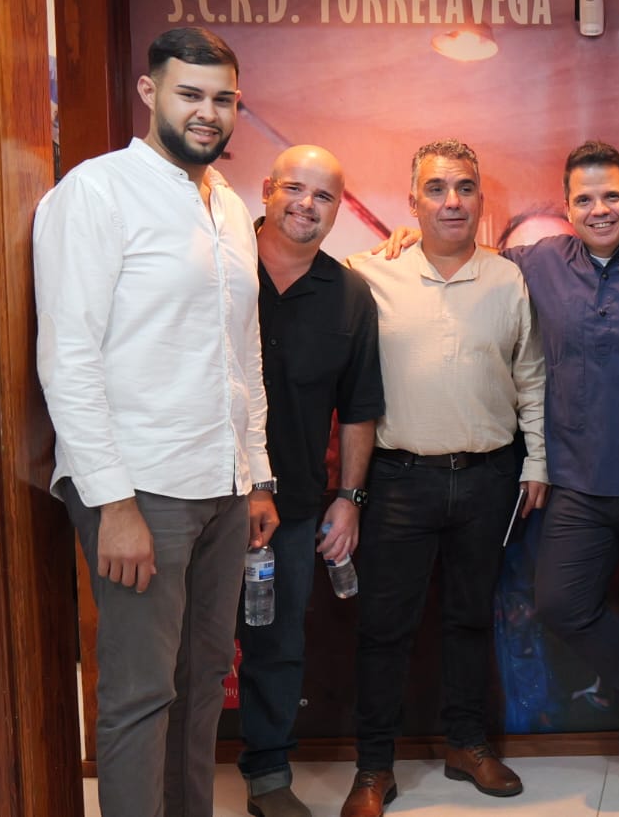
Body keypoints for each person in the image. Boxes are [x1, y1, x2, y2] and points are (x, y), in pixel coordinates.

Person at [376, 141, 619, 809]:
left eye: (611, 195)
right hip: (577, 482)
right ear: (567, 208)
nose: (599, 209)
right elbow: (464, 251)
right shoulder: (537, 263)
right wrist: (411, 239)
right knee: (562, 602)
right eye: (583, 199)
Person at [33, 26, 279, 817]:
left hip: (223, 483)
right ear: (150, 93)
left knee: (204, 680)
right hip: (140, 489)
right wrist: (112, 502)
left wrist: (259, 476)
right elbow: (67, 355)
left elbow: (245, 356)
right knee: (141, 694)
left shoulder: (232, 209)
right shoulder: (94, 193)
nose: (208, 113)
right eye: (191, 95)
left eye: (222, 99)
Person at [340, 139, 547, 817]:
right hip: (399, 481)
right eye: (436, 189)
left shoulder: (507, 279)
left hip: (489, 477)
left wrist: (538, 460)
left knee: (468, 619)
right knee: (384, 628)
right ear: (412, 202)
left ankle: (466, 743)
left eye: (463, 188)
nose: (451, 201)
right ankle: (374, 768)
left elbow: (531, 377)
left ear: (481, 198)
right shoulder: (370, 274)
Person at [237, 145, 385, 817]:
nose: (306, 205)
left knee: (277, 645)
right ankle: (167, 777)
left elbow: (358, 409)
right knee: (184, 642)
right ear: (267, 190)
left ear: (339, 209)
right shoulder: (218, 262)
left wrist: (349, 499)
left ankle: (268, 775)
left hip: (293, 507)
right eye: (295, 188)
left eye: (324, 196)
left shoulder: (350, 293)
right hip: (200, 495)